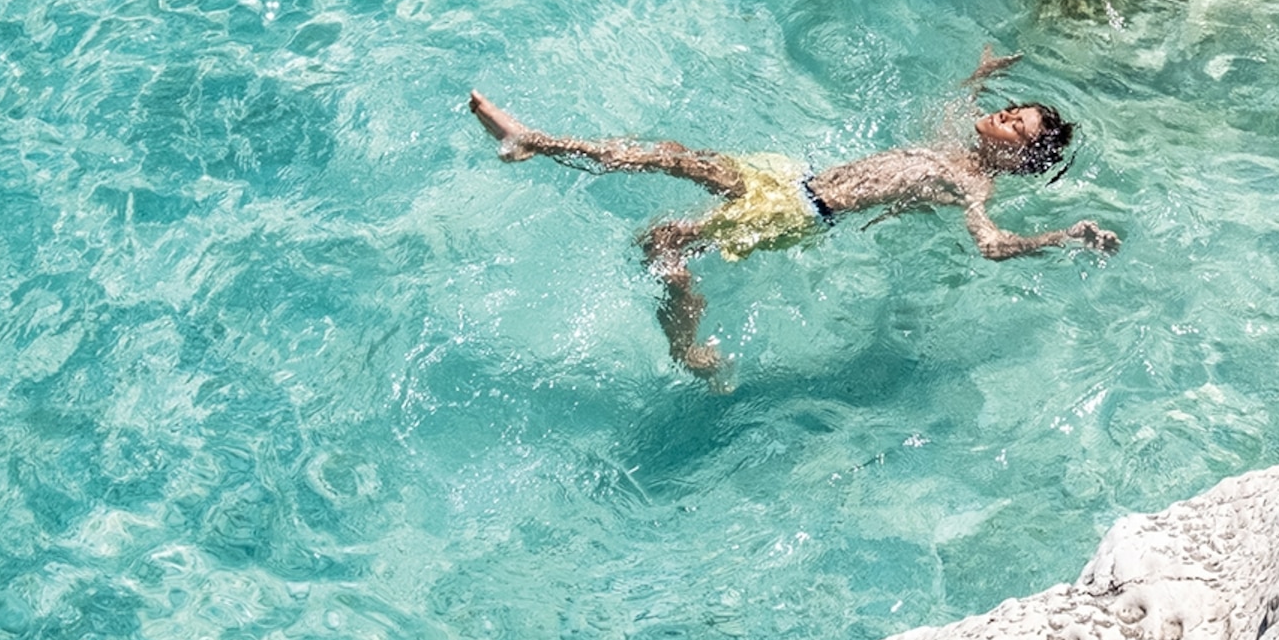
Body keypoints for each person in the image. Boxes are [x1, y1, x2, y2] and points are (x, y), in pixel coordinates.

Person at [467, 51, 1117, 378]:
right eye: (1012, 108)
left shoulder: (976, 185)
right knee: (668, 156)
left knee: (662, 241)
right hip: (787, 178)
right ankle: (532, 142)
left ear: (1019, 158)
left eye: (1017, 125)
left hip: (797, 213)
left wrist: (1064, 236)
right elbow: (956, 105)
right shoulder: (958, 146)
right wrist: (976, 76)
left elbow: (991, 245)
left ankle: (687, 347)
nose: (1004, 116)